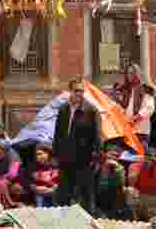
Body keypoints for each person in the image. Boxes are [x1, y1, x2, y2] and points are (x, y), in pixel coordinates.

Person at [53, 79, 101, 213]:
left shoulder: (91, 110)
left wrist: (96, 157)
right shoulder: (63, 109)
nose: (79, 94)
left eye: (82, 91)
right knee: (64, 194)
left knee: (85, 194)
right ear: (70, 92)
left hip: (84, 160)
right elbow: (58, 134)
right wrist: (55, 154)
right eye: (76, 91)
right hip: (65, 159)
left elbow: (97, 136)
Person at [117, 64, 156, 146]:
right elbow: (123, 107)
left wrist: (136, 118)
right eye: (128, 73)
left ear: (137, 74)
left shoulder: (145, 89)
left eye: (132, 73)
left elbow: (149, 107)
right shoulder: (125, 90)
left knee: (140, 156)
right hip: (127, 131)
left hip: (140, 131)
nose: (129, 76)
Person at [93, 144, 130, 220]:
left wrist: (117, 171)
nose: (114, 157)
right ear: (105, 154)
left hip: (112, 204)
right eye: (112, 154)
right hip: (97, 202)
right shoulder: (96, 165)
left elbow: (121, 185)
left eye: (116, 156)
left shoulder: (119, 168)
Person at [125, 149, 156, 221]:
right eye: (146, 158)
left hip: (152, 199)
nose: (148, 161)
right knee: (129, 190)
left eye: (150, 158)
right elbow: (131, 183)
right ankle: (134, 218)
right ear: (143, 157)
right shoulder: (135, 165)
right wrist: (141, 169)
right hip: (140, 197)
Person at [0, 141, 22, 208]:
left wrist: (4, 177)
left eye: (0, 151)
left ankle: (6, 202)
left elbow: (12, 174)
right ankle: (5, 203)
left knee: (2, 183)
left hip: (8, 180)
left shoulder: (9, 158)